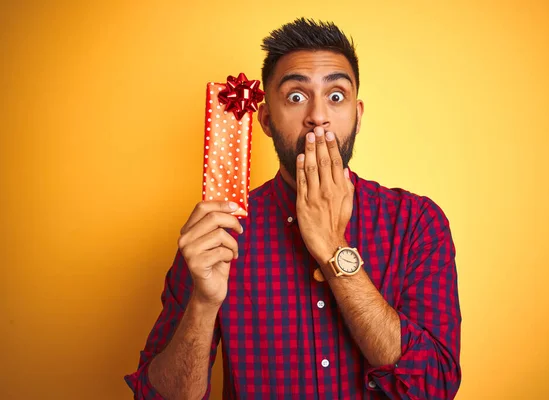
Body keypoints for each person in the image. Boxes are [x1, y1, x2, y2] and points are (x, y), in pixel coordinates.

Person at [125, 18, 461, 400]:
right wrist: (203, 304)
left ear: (358, 115)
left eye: (336, 96)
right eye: (296, 96)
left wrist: (333, 249)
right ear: (266, 119)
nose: (318, 115)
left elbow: (433, 387)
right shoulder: (220, 230)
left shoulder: (416, 223)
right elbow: (157, 397)